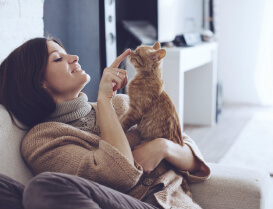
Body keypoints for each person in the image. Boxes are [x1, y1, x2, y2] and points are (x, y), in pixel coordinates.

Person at [0, 37, 210, 209]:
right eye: (58, 59)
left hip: (165, 205)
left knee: (43, 187)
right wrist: (103, 100)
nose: (74, 57)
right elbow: (120, 173)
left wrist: (163, 147)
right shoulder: (42, 140)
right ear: (40, 83)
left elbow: (194, 161)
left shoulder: (123, 103)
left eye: (67, 52)